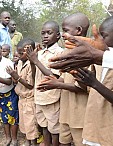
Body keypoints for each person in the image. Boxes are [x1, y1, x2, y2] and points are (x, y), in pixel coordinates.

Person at [37, 13, 90, 146]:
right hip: (66, 111)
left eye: (66, 30)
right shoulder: (68, 53)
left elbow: (83, 87)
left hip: (79, 114)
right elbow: (65, 78)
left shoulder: (87, 55)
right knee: (63, 141)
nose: (63, 34)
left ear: (78, 30)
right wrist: (54, 83)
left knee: (79, 142)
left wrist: (58, 85)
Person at [67, 15, 113, 146]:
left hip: (109, 127)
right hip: (94, 122)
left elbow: (95, 85)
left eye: (103, 36)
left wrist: (94, 83)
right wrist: (81, 76)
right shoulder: (98, 61)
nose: (98, 40)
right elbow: (88, 88)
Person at [26, 21, 63, 146]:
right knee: (44, 126)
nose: (45, 36)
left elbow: (53, 76)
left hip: (51, 98)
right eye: (43, 33)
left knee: (54, 129)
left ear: (58, 35)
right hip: (39, 97)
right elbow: (34, 74)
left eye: (49, 33)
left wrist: (35, 60)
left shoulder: (59, 53)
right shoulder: (40, 53)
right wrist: (32, 61)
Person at [7, 38, 39, 146]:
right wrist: (14, 76)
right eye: (18, 53)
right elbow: (18, 79)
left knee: (31, 124)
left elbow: (30, 85)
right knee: (24, 123)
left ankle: (33, 142)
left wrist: (18, 78)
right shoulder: (20, 62)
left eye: (22, 53)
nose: (19, 55)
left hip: (29, 99)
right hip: (21, 98)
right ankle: (28, 141)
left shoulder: (32, 64)